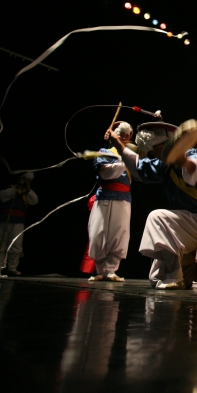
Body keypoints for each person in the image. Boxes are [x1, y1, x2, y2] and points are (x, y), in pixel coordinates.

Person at [108, 121, 197, 290]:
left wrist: (180, 158)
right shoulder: (163, 164)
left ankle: (175, 276)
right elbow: (138, 167)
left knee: (157, 217)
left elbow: (192, 170)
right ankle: (182, 272)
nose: (154, 153)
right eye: (152, 150)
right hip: (181, 224)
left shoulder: (191, 153)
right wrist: (118, 144)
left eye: (157, 148)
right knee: (155, 278)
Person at [87, 121, 134, 282]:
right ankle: (100, 269)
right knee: (98, 232)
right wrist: (124, 159)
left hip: (124, 199)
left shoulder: (130, 154)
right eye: (120, 134)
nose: (124, 137)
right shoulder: (105, 152)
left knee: (119, 233)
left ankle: (112, 270)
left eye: (127, 135)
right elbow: (106, 173)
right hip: (105, 196)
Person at [0, 171, 38, 276]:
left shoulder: (26, 193)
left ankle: (12, 268)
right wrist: (17, 188)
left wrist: (27, 189)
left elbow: (35, 201)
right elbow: (1, 195)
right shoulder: (10, 189)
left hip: (18, 222)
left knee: (16, 246)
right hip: (3, 221)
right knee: (0, 245)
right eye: (25, 180)